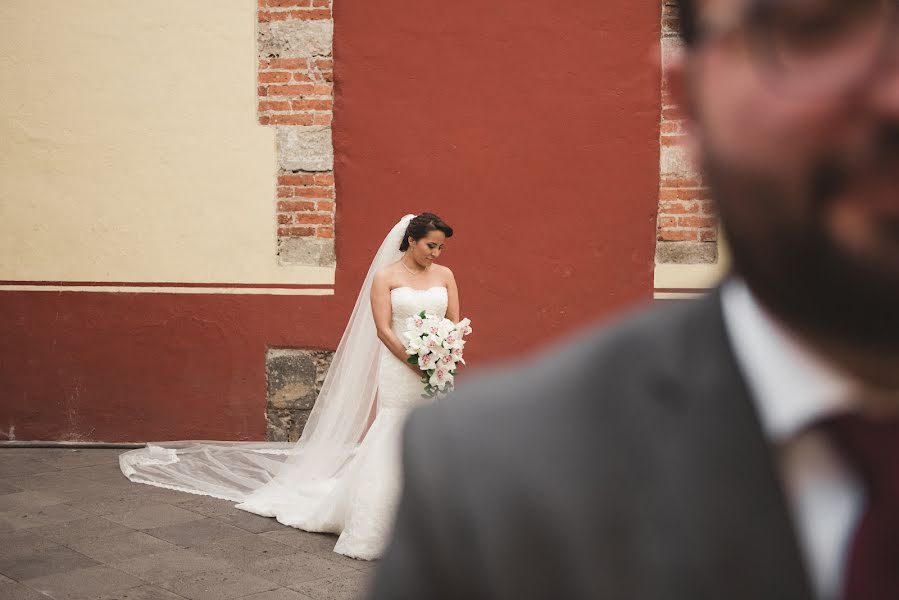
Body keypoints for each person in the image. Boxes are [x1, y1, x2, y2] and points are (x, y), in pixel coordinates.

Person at [370, 0, 899, 597]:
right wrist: (417, 355)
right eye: (817, 25)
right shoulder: (490, 477)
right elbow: (386, 327)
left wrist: (443, 347)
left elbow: (457, 320)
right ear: (692, 104)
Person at [120, 212, 460, 560]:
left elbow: (453, 323)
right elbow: (384, 330)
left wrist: (443, 357)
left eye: (441, 247)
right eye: (431, 245)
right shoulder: (385, 277)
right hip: (401, 366)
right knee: (393, 430)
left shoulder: (445, 275)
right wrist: (413, 361)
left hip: (435, 371)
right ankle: (383, 522)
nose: (436, 253)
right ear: (412, 240)